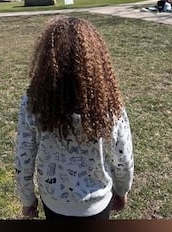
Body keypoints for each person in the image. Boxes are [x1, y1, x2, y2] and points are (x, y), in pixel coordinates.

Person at [15, 16, 134, 220]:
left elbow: (23, 156)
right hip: (97, 202)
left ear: (46, 60)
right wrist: (122, 190)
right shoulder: (109, 104)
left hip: (54, 203)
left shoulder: (34, 103)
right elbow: (123, 157)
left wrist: (27, 199)